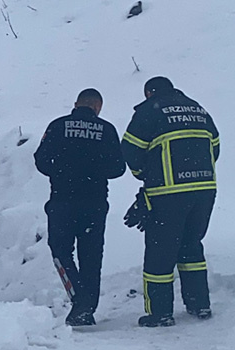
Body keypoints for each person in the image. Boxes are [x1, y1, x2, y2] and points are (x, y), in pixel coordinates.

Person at [121, 76, 219, 327]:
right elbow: (214, 147)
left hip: (168, 193)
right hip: (205, 190)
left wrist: (148, 176)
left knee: (160, 250)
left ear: (150, 93)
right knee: (191, 246)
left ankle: (160, 312)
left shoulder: (149, 111)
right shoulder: (198, 108)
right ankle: (200, 304)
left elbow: (130, 151)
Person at [33, 88, 126, 326]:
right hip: (94, 202)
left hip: (62, 200)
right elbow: (118, 168)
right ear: (97, 107)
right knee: (92, 256)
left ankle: (80, 302)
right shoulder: (107, 130)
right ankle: (87, 308)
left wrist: (62, 170)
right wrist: (94, 170)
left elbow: (41, 160)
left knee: (60, 250)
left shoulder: (58, 126)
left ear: (76, 104)